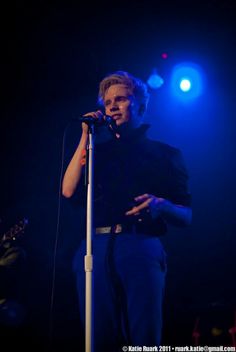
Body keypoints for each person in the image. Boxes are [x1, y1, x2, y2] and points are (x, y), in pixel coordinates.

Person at [62, 70, 192, 351]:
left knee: (142, 339)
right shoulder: (98, 151)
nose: (112, 106)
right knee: (97, 339)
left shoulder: (166, 154)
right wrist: (86, 135)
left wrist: (161, 205)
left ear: (141, 106)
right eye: (107, 101)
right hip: (93, 248)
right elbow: (69, 190)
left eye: (121, 99)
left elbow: (186, 214)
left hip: (139, 244)